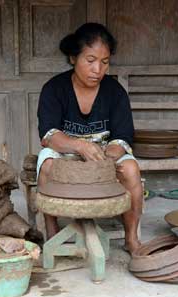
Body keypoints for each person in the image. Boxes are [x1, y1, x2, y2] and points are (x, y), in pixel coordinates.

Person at [36, 23, 142, 253]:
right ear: (74, 58)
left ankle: (131, 239)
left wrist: (108, 157)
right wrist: (78, 146)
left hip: (104, 157)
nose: (98, 69)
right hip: (65, 152)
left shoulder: (115, 92)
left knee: (131, 169)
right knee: (46, 164)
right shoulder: (54, 89)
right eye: (90, 60)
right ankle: (53, 234)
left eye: (104, 62)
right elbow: (48, 134)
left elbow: (123, 136)